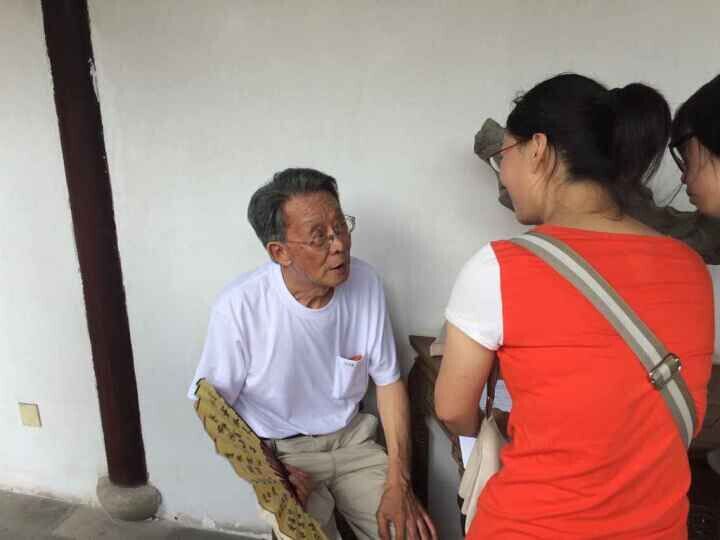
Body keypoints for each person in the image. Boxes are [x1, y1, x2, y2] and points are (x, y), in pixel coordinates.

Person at [436, 74, 714, 538]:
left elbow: (451, 409)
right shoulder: (691, 269)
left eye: (505, 155)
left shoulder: (498, 267)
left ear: (538, 149)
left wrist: (497, 427)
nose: (503, 173)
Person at [188, 168, 436, 540]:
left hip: (353, 443)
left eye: (341, 227)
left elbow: (388, 382)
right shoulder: (240, 307)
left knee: (409, 535)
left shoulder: (366, 283)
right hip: (286, 456)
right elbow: (211, 407)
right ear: (280, 252)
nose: (339, 245)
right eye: (319, 236)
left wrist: (399, 483)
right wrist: (271, 474)